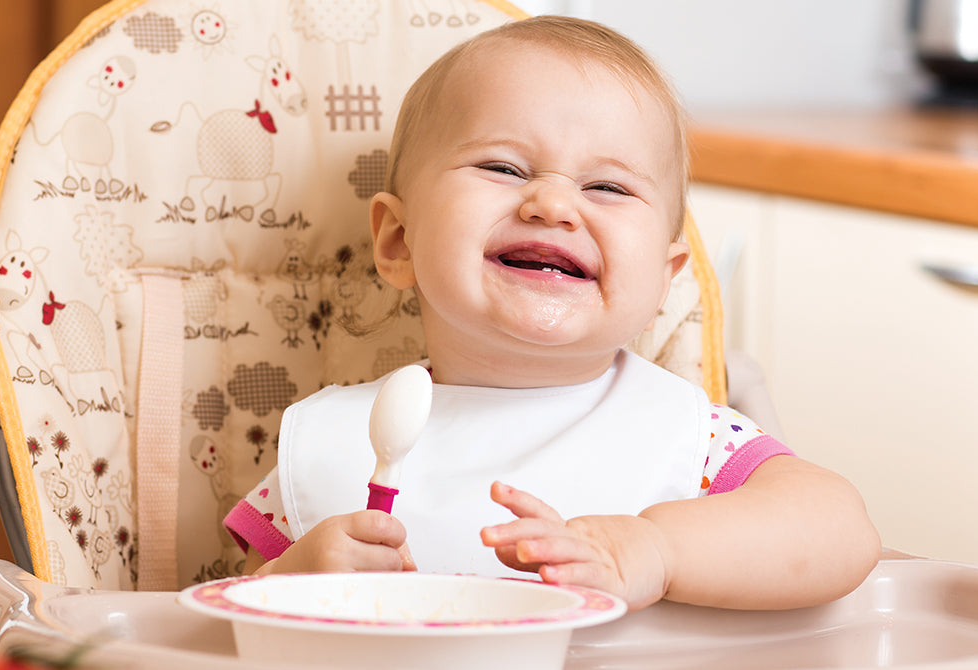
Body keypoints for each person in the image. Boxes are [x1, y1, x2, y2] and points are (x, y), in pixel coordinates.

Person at [223, 15, 880, 612]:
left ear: (661, 282)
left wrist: (654, 551)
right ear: (398, 241)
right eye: (504, 167)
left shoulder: (691, 441)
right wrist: (289, 581)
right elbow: (212, 632)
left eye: (607, 187)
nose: (554, 205)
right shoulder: (334, 441)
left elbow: (841, 530)